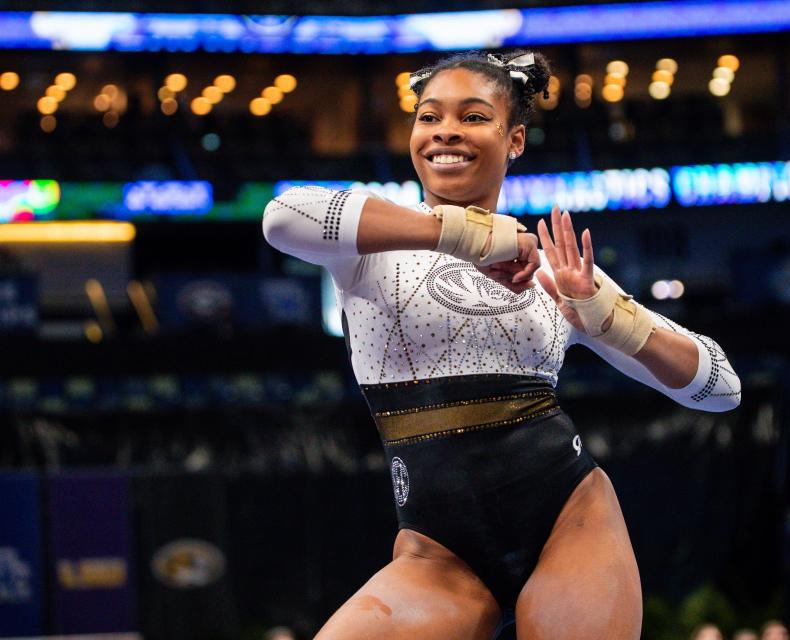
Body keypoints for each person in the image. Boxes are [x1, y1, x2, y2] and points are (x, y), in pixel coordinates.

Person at [263, 49, 741, 640]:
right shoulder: (374, 244)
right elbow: (282, 216)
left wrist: (605, 317)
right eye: (429, 116)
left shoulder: (551, 267)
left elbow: (721, 387)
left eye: (472, 117)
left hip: (569, 521)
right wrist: (465, 234)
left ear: (514, 139)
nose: (445, 133)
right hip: (439, 555)